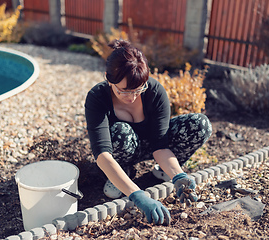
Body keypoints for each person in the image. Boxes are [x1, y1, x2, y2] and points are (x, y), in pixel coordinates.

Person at [84, 39, 212, 225]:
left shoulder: (154, 91)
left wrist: (178, 175)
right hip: (121, 150)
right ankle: (122, 175)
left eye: (138, 90)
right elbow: (102, 154)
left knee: (200, 124)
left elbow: (160, 145)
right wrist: (137, 195)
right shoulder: (97, 97)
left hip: (151, 146)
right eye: (124, 91)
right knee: (120, 132)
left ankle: (162, 172)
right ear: (108, 78)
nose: (132, 97)